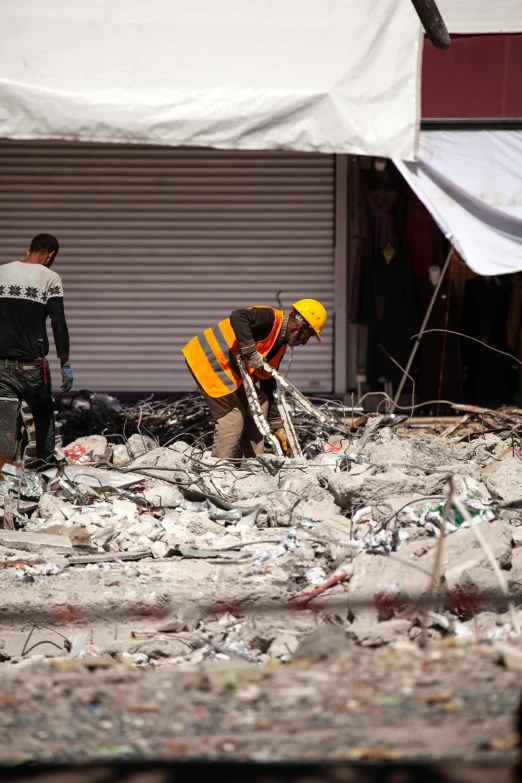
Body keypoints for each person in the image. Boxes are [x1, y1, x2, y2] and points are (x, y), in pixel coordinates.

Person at [183, 299, 326, 458]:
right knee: (232, 419)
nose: (305, 343)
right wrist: (251, 352)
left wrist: (278, 426)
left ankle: (252, 464)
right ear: (301, 327)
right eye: (309, 335)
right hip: (207, 361)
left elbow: (268, 381)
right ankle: (218, 471)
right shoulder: (269, 319)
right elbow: (238, 316)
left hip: (226, 371)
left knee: (260, 400)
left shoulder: (280, 345)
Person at [0, 234, 73, 466]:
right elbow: (58, 323)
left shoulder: (2, 272)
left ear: (28, 249)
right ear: (51, 255)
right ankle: (45, 464)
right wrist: (64, 362)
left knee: (6, 418)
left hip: (1, 364)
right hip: (32, 366)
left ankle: (5, 471)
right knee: (43, 414)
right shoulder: (50, 278)